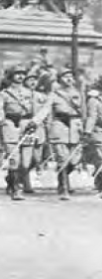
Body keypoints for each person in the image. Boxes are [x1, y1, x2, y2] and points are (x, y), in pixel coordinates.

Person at [0, 65, 48, 200]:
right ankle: (16, 190)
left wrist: (36, 121)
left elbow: (42, 109)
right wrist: (1, 121)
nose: (20, 76)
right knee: (14, 159)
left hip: (27, 125)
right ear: (10, 76)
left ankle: (11, 179)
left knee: (26, 163)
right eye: (17, 74)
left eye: (22, 74)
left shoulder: (31, 93)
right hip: (10, 126)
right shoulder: (4, 94)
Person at [49, 69, 83, 200]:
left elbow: (84, 112)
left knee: (74, 161)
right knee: (63, 159)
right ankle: (63, 188)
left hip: (75, 127)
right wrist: (36, 122)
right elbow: (47, 110)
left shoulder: (79, 94)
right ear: (59, 79)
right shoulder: (54, 94)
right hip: (60, 127)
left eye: (71, 76)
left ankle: (62, 177)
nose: (69, 79)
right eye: (65, 76)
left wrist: (85, 129)